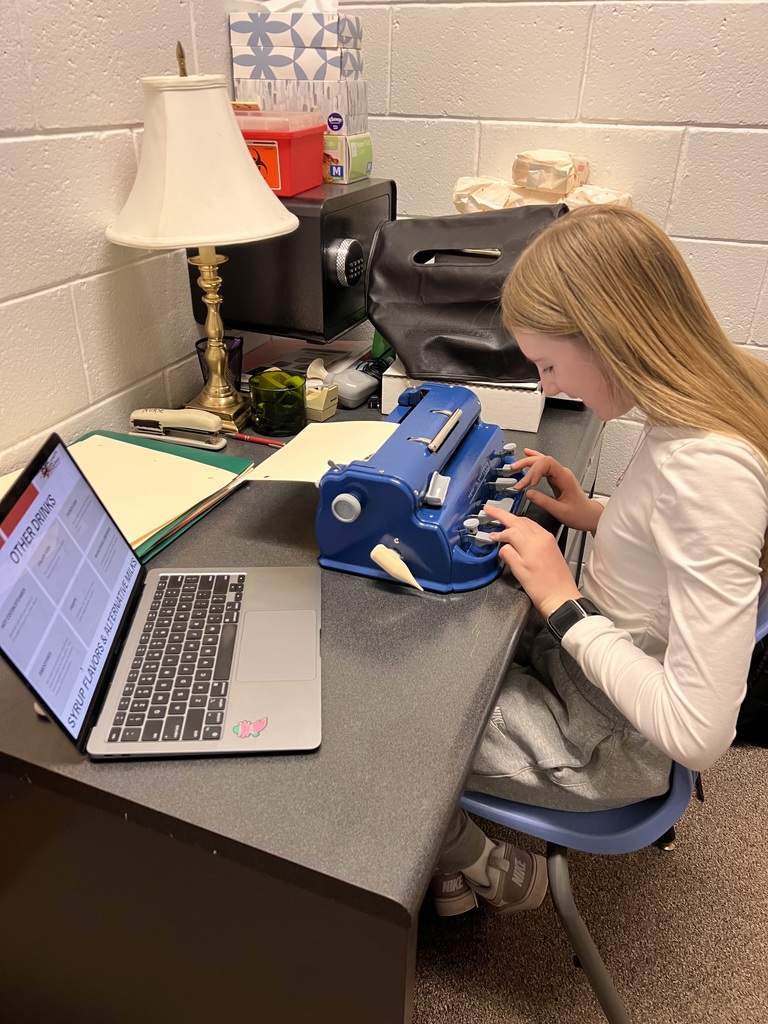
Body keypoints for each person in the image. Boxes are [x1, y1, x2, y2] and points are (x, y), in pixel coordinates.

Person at [431, 204, 768, 918]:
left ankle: (472, 859)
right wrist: (589, 513)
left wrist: (564, 602)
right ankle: (441, 861)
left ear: (610, 335)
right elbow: (676, 545)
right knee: (444, 643)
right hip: (590, 676)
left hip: (608, 741)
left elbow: (699, 734)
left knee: (395, 717)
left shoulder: (708, 469)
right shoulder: (701, 408)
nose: (548, 386)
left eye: (549, 364)